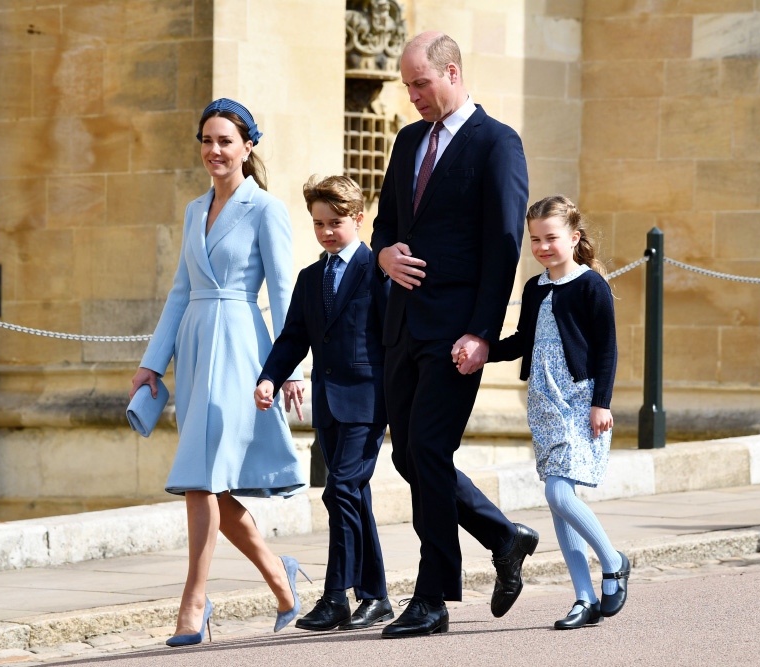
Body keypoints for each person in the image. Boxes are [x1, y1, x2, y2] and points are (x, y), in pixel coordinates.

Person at [369, 31, 538, 638]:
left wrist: (483, 334)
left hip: (455, 336)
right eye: (407, 85)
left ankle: (433, 596)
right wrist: (384, 254)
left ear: (453, 72)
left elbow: (504, 246)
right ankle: (505, 536)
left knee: (431, 452)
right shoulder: (408, 139)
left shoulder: (497, 143)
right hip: (402, 328)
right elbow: (384, 225)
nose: (411, 95)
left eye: (421, 83)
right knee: (410, 456)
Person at [129, 98, 311, 645]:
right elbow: (180, 292)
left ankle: (194, 601)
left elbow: (283, 295)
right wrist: (151, 363)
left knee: (204, 479)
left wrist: (290, 369)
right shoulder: (192, 210)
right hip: (195, 349)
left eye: (225, 141)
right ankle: (282, 578)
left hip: (242, 350)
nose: (214, 150)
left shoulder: (266, 208)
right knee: (207, 482)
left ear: (247, 147)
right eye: (207, 140)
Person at [254, 175, 393, 632]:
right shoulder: (311, 278)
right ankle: (375, 597)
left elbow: (395, 339)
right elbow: (294, 336)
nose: (326, 232)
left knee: (340, 491)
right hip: (328, 405)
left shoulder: (378, 271)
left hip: (369, 402)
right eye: (318, 224)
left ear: (358, 219)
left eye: (335, 223)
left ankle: (336, 596)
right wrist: (271, 377)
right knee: (353, 497)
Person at [487, 195, 630, 630]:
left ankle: (613, 562)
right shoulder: (534, 288)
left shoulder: (591, 286)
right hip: (543, 401)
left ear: (574, 237)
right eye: (536, 239)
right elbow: (521, 341)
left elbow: (607, 348)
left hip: (579, 400)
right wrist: (481, 352)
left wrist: (601, 403)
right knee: (558, 504)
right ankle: (584, 598)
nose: (543, 246)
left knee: (558, 495)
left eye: (551, 238)